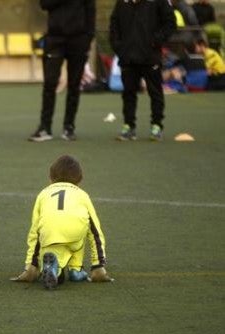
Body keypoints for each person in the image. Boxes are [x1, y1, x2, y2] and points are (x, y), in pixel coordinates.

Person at [11, 155, 112, 289]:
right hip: (75, 233)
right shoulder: (82, 195)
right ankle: (76, 270)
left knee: (49, 243)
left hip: (50, 234)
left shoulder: (43, 194)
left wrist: (31, 265)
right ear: (79, 179)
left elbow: (35, 232)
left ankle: (53, 269)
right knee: (81, 229)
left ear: (50, 177)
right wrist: (98, 265)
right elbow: (95, 231)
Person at [28, 0, 96, 142]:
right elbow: (44, 4)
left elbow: (90, 10)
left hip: (79, 39)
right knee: (50, 83)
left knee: (74, 85)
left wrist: (88, 38)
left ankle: (69, 128)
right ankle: (45, 127)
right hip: (55, 38)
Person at [110, 0, 176, 141]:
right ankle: (128, 126)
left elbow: (170, 22)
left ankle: (156, 126)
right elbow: (114, 23)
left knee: (155, 92)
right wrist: (118, 45)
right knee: (128, 93)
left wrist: (156, 40)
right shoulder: (122, 2)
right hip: (128, 56)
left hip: (150, 56)